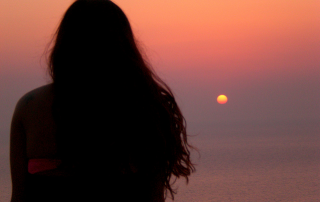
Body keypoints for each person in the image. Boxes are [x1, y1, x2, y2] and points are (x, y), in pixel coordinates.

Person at [10, 0, 195, 201]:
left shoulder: (29, 108)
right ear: (124, 45)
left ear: (66, 43)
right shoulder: (147, 109)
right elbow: (153, 197)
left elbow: (19, 196)